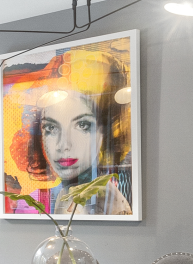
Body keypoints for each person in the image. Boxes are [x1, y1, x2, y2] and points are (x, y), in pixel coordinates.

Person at [15, 47, 133, 215]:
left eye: (82, 125)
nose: (63, 145)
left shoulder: (104, 201)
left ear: (105, 132)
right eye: (51, 127)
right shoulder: (66, 194)